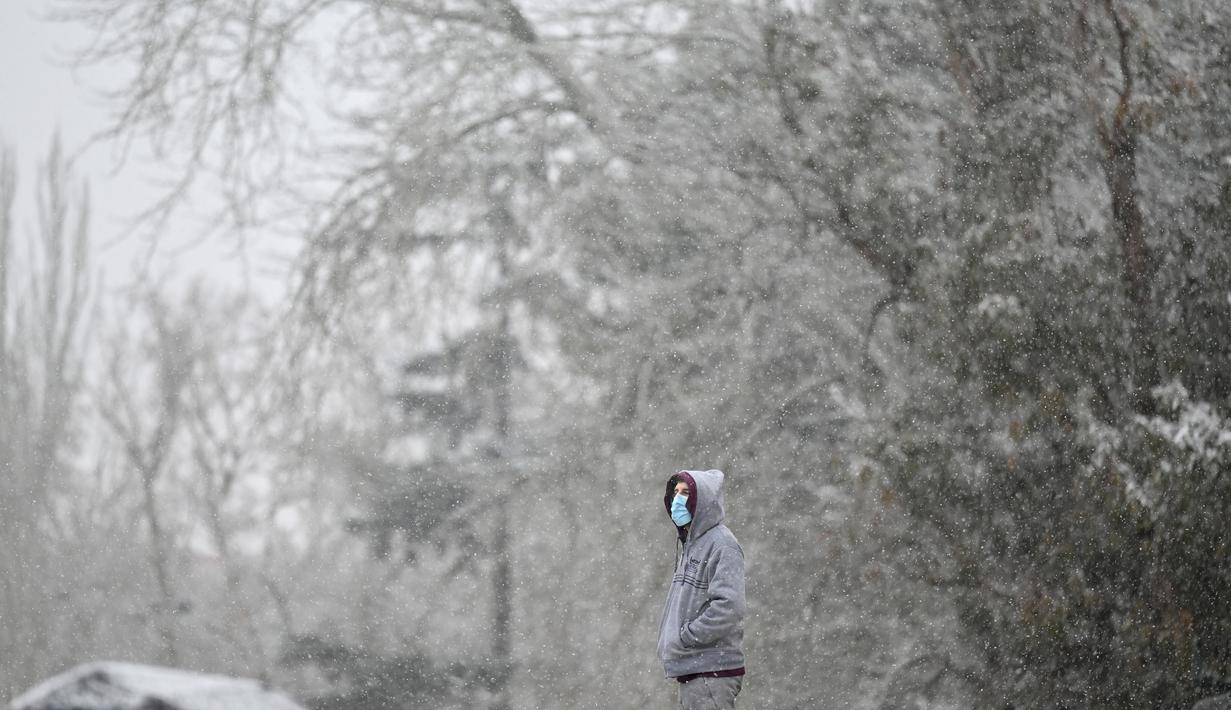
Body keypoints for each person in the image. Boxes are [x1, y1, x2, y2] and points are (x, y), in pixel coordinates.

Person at [657, 469, 746, 709]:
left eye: (685, 493)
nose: (677, 499)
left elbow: (729, 607)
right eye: (675, 492)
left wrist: (687, 636)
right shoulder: (693, 545)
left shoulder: (722, 544)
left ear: (702, 500)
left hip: (711, 671)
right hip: (696, 671)